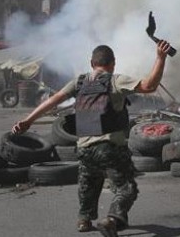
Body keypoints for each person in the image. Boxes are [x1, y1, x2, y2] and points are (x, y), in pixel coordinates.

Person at [12, 41, 171, 237]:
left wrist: (27, 121)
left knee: (89, 183)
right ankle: (112, 220)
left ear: (91, 63)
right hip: (110, 146)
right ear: (113, 63)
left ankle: (84, 220)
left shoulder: (79, 82)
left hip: (84, 147)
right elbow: (149, 85)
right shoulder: (115, 80)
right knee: (127, 188)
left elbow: (53, 101)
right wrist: (160, 58)